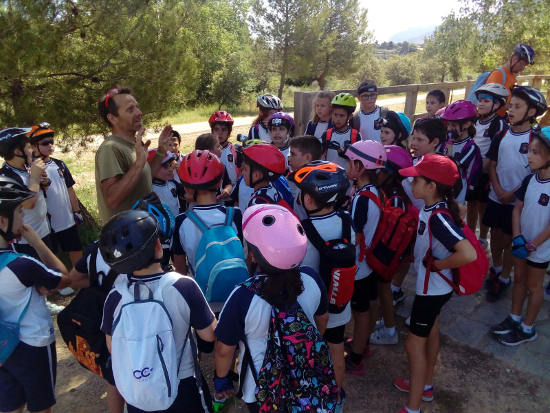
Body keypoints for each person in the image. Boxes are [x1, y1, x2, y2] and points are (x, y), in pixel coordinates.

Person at [213, 204, 330, 413]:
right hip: (306, 379)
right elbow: (322, 321)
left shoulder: (242, 296)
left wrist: (222, 378)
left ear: (253, 256)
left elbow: (224, 350)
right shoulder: (312, 279)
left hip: (260, 387)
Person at [99, 209, 216, 413]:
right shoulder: (183, 286)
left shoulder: (115, 296)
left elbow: (112, 346)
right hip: (183, 384)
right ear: (158, 246)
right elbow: (210, 334)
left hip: (139, 389)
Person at [395, 154, 476, 413]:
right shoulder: (434, 208)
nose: (411, 184)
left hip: (432, 290)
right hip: (434, 288)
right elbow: (460, 212)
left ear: (431, 187)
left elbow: (468, 254)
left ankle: (413, 408)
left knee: (413, 345)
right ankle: (426, 385)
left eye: (416, 180)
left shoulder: (438, 218)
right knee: (431, 332)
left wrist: (438, 265)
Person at [0, 176, 71, 413]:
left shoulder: (18, 266)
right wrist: (36, 241)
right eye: (20, 212)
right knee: (41, 406)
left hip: (3, 347)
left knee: (11, 406)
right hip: (33, 343)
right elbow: (65, 278)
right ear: (2, 221)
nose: (23, 218)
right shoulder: (22, 264)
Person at [289, 161, 351, 410]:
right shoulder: (346, 220)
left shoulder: (302, 230)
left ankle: (308, 396)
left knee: (309, 353)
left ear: (309, 199)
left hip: (312, 306)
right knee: (336, 349)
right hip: (340, 299)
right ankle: (336, 399)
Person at [483, 86, 547, 302]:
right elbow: (492, 164)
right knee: (495, 235)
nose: (511, 110)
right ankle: (496, 267)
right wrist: (497, 188)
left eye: (517, 107)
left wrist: (513, 194)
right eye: (511, 106)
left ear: (531, 112)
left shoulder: (535, 139)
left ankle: (504, 277)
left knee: (509, 239)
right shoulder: (501, 134)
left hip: (517, 202)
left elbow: (535, 173)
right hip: (496, 195)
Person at [490, 126, 550, 345]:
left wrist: (531, 245)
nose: (529, 156)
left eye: (535, 152)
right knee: (519, 280)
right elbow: (517, 209)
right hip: (521, 243)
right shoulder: (529, 180)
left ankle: (527, 328)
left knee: (534, 286)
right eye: (529, 151)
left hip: (539, 249)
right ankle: (514, 318)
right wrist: (517, 238)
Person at [95, 87, 172, 224]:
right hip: (126, 234)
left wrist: (161, 151)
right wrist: (139, 163)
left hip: (143, 228)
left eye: (137, 107)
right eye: (130, 110)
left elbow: (144, 178)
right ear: (113, 118)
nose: (139, 112)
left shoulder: (133, 145)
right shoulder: (110, 148)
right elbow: (113, 199)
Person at [343, 140, 386, 374]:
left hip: (358, 266)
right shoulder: (372, 192)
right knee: (369, 306)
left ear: (359, 167)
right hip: (367, 264)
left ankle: (356, 358)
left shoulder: (361, 199)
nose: (346, 166)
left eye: (349, 162)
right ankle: (364, 344)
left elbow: (356, 237)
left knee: (360, 314)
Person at [172, 150, 243, 278]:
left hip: (199, 288)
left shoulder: (181, 222)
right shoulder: (235, 214)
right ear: (219, 183)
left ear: (187, 188)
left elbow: (180, 269)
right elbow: (246, 255)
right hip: (236, 286)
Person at [370, 145, 414, 340]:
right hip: (387, 250)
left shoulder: (395, 198)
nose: (374, 173)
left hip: (388, 253)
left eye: (378, 170)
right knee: (382, 289)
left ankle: (390, 331)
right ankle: (387, 323)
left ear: (389, 173)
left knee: (383, 288)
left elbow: (395, 231)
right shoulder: (388, 189)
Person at [27, 123, 84, 270]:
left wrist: (76, 211)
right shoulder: (30, 170)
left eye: (52, 141)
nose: (50, 145)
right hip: (47, 223)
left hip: (67, 219)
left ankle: (79, 276)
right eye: (45, 143)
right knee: (52, 256)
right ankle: (59, 278)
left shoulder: (60, 164)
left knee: (76, 250)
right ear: (33, 146)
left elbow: (69, 189)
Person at [468, 84, 509, 249]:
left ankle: (483, 239)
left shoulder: (499, 124)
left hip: (486, 173)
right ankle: (470, 235)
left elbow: (496, 152)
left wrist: (483, 168)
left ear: (497, 104)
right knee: (471, 203)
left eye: (486, 101)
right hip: (472, 171)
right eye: (479, 100)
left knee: (482, 205)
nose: (481, 104)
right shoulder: (475, 121)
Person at [0, 128, 51, 261]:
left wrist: (44, 182)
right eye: (29, 147)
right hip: (25, 239)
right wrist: (35, 177)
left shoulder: (27, 167)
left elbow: (39, 190)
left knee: (50, 266)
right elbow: (29, 204)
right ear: (17, 152)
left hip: (43, 230)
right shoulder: (6, 177)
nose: (33, 150)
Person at [441, 100, 482, 206]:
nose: (450, 128)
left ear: (467, 124)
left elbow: (451, 166)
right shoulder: (445, 142)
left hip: (458, 190)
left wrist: (450, 143)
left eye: (453, 125)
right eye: (448, 124)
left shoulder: (470, 147)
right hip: (443, 186)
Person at [485, 44, 535, 117]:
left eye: (525, 66)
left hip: (501, 117)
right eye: (522, 65)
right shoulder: (498, 74)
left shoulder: (512, 75)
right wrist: (517, 109)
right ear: (515, 58)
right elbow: (492, 100)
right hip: (490, 119)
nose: (522, 69)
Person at [321, 93, 363, 170]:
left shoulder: (355, 135)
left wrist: (347, 156)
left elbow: (359, 161)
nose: (337, 119)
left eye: (341, 115)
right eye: (335, 115)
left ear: (350, 116)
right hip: (329, 174)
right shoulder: (327, 134)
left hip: (348, 176)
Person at [240, 142, 286, 209]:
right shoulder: (273, 190)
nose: (242, 172)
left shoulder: (257, 204)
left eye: (245, 169)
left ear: (256, 176)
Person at [288, 135, 324, 219]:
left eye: (293, 154)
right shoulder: (298, 178)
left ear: (307, 157)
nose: (289, 158)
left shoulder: (314, 185)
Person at [194, 133, 233, 204]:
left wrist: (227, 190)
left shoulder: (221, 166)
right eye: (218, 146)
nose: (221, 147)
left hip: (218, 205)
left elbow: (228, 184)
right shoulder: (194, 168)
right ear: (208, 151)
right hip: (198, 206)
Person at [209, 111, 239, 186]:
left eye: (224, 129)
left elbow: (241, 170)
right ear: (212, 131)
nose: (220, 133)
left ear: (229, 132)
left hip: (234, 190)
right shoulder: (208, 152)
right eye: (217, 129)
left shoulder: (234, 150)